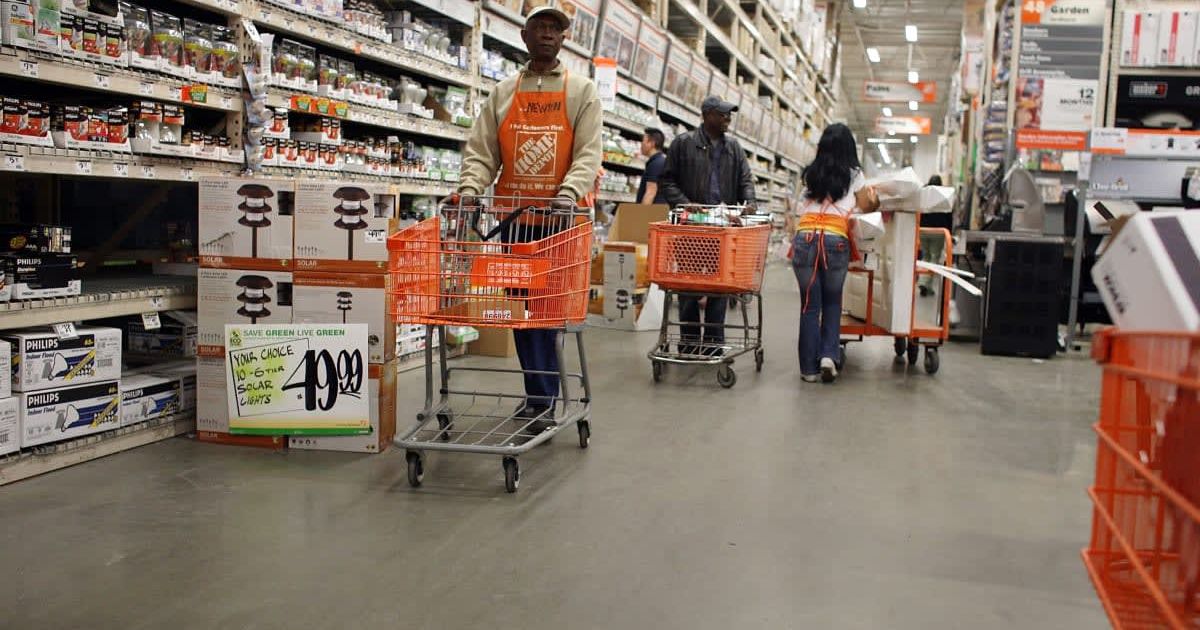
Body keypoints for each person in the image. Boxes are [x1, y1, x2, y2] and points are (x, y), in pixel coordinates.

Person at [456, 5, 602, 433]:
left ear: (564, 38)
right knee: (522, 313)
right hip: (514, 222)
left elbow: (588, 153)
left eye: (555, 28)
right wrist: (470, 190)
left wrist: (568, 194)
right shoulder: (503, 92)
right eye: (540, 27)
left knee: (547, 313)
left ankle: (542, 398)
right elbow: (482, 151)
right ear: (525, 35)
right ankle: (538, 395)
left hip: (559, 224)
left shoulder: (582, 91)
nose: (547, 34)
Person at [659, 95, 756, 356]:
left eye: (729, 114)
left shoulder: (734, 148)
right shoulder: (683, 143)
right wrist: (686, 204)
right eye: (722, 114)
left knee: (719, 288)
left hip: (722, 229)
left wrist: (749, 202)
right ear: (707, 115)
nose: (728, 119)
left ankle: (713, 343)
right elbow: (667, 181)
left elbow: (745, 180)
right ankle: (689, 342)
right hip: (691, 227)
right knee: (688, 287)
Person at [792, 123, 879, 383]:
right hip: (835, 240)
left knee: (809, 305)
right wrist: (875, 199)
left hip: (805, 238)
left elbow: (800, 206)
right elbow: (866, 205)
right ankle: (829, 356)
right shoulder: (855, 175)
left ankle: (808, 370)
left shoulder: (811, 172)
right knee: (832, 302)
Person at [918, 174, 952, 296]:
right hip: (938, 231)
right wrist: (950, 232)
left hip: (923, 230)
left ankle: (926, 284)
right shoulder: (944, 195)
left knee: (925, 256)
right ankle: (925, 282)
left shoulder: (923, 193)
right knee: (934, 258)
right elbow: (949, 216)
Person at [636, 128, 667, 205]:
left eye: (643, 141)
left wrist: (641, 212)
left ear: (652, 143)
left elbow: (650, 193)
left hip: (652, 210)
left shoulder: (656, 164)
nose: (641, 144)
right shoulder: (660, 161)